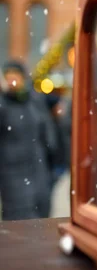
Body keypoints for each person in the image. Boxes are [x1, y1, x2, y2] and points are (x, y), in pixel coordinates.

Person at [0, 60, 57, 220]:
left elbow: (47, 134)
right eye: (9, 77)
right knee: (19, 223)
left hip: (39, 171)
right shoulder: (3, 105)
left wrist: (54, 165)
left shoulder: (34, 102)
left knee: (42, 217)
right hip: (11, 176)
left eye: (15, 77)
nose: (13, 82)